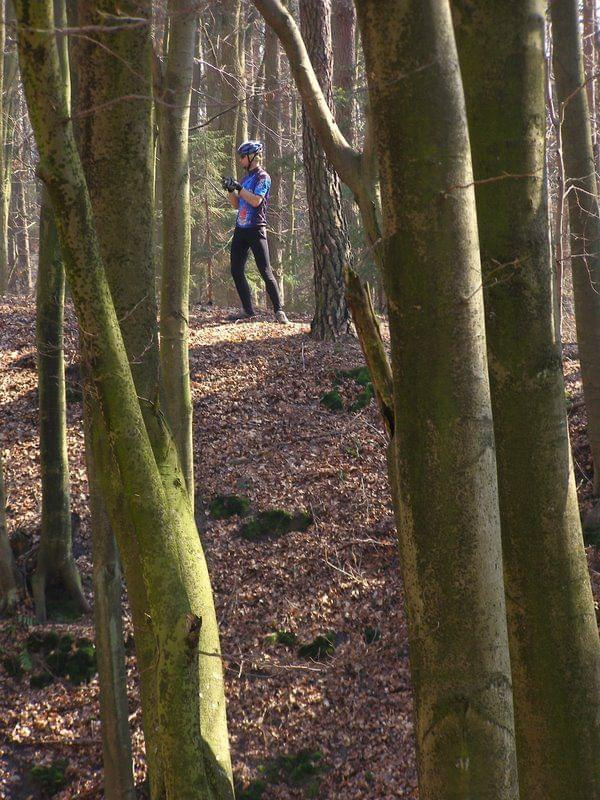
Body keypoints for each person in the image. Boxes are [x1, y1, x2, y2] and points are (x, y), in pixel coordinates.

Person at [221, 140, 290, 323]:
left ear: (252, 157)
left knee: (265, 271)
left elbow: (256, 201)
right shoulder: (244, 179)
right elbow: (237, 204)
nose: (241, 160)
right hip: (241, 229)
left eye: (243, 156)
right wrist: (230, 191)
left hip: (256, 228)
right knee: (236, 270)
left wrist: (239, 188)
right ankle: (248, 310)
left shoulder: (263, 177)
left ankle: (279, 311)